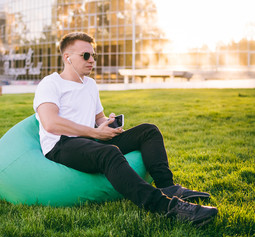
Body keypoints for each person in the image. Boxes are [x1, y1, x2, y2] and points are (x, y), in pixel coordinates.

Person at [33, 32, 218, 227]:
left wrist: (108, 123)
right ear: (67, 58)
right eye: (86, 55)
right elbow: (51, 123)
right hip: (62, 145)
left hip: (89, 140)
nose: (92, 60)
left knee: (149, 131)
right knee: (110, 153)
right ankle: (168, 208)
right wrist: (96, 133)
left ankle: (168, 186)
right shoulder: (50, 83)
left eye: (94, 55)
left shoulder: (90, 85)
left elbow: (98, 119)